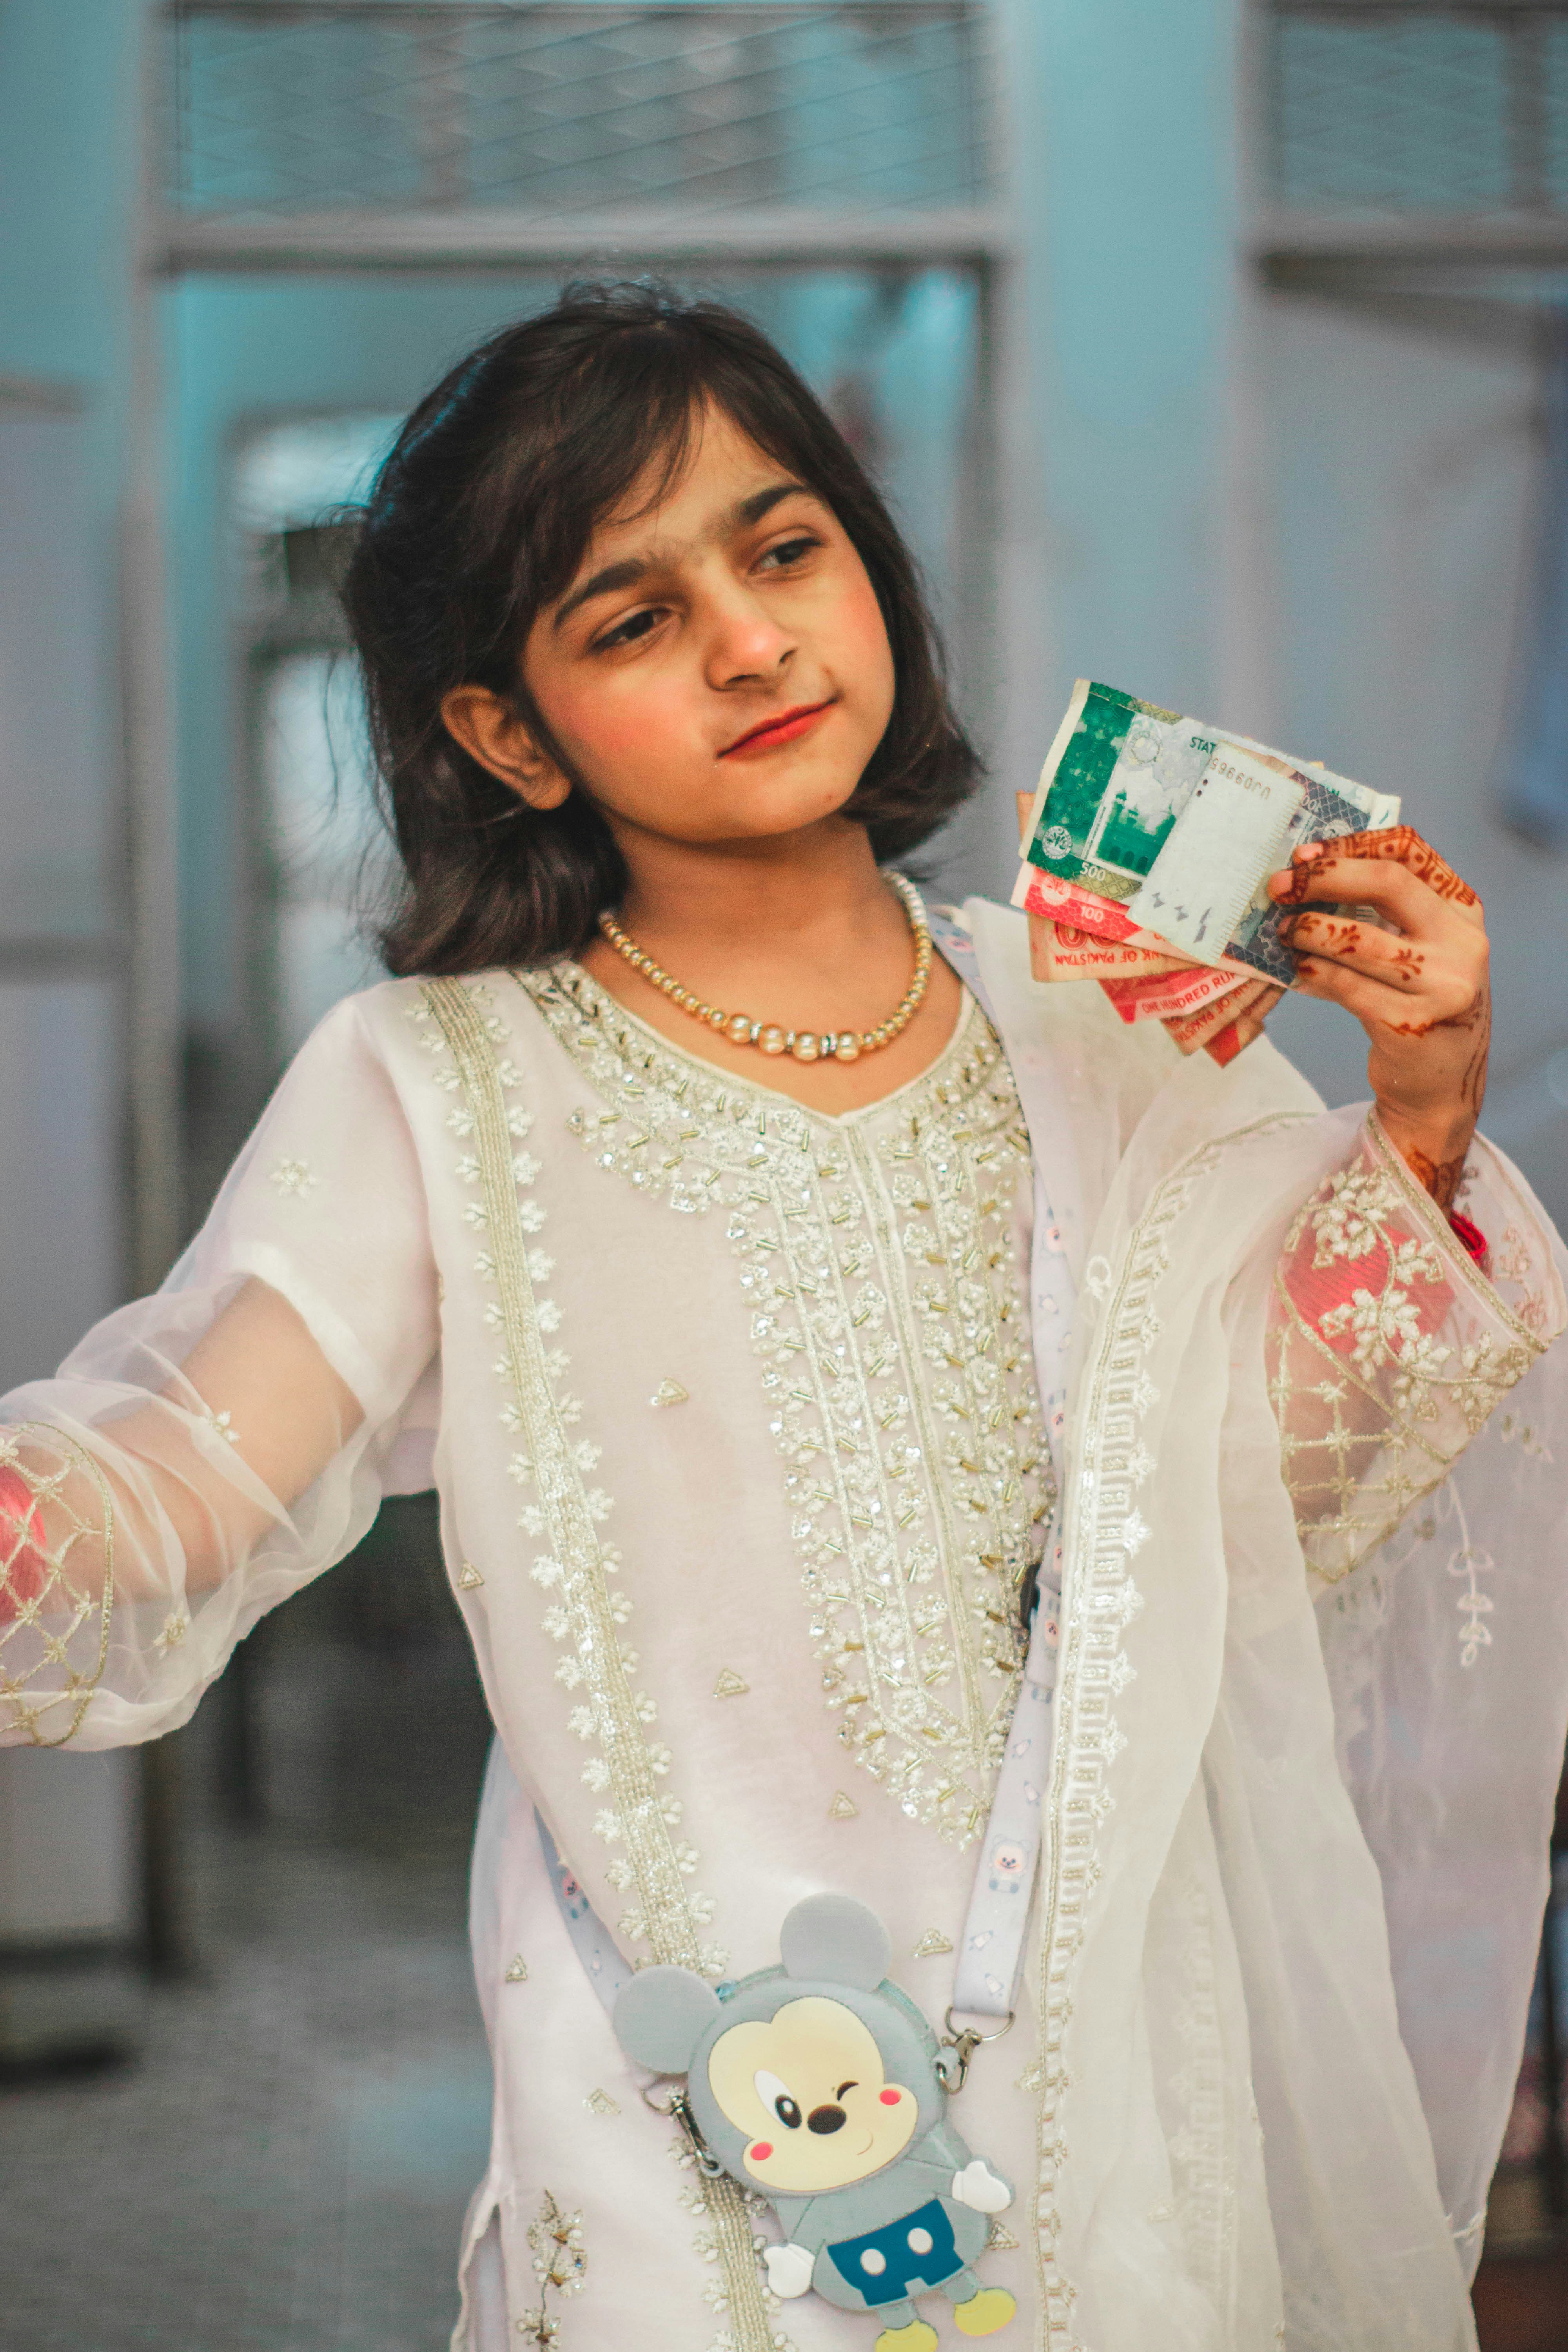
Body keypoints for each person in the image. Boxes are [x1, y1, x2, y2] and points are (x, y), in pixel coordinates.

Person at [2, 282, 1565, 2352]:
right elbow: (170, 1493)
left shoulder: (1105, 1024)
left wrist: (1427, 1112)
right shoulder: (439, 1084)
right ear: (506, 730)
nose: (751, 642)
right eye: (633, 618)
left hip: (1112, 2052)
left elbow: (1272, 1511)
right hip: (687, 2096)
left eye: (785, 547)